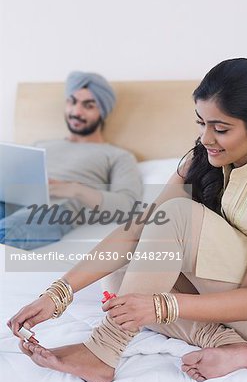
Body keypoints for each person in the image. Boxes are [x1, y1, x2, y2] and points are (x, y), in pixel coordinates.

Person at [7, 58, 247, 382]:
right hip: (233, 298)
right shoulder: (202, 157)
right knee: (119, 280)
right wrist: (57, 294)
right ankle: (228, 345)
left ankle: (103, 352)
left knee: (175, 217)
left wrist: (161, 305)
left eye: (220, 128)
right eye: (201, 123)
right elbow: (140, 228)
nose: (206, 138)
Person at [0, 71, 142, 250]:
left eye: (88, 105)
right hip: (13, 199)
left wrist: (74, 189)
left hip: (55, 210)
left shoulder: (117, 155)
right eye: (72, 101)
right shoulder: (41, 144)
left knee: (5, 234)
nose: (76, 111)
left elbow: (129, 206)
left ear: (103, 111)